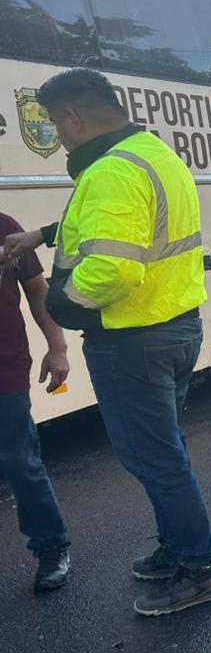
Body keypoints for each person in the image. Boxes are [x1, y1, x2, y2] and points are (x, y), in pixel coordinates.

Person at [2, 68, 211, 615]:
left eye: (55, 125)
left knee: (155, 459)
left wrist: (59, 305)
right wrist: (40, 235)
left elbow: (110, 271)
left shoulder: (107, 172)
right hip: (176, 326)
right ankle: (176, 548)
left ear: (73, 118)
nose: (58, 135)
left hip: (132, 339)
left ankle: (201, 568)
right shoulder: (150, 153)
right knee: (163, 450)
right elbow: (111, 224)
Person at [0, 214, 72, 593]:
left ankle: (51, 546)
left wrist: (57, 347)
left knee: (20, 463)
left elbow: (37, 290)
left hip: (5, 368)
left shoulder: (5, 227)